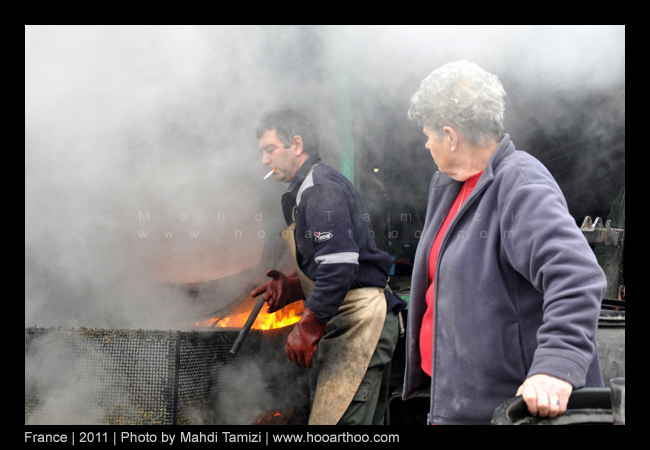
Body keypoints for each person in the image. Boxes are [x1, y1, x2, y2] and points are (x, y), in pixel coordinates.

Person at [402, 61, 607, 425]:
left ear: (451, 136)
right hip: (454, 400)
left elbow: (576, 276)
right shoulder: (451, 187)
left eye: (429, 134)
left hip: (506, 413)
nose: (426, 143)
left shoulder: (519, 183)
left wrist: (556, 366)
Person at [251, 107, 406, 425]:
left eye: (270, 150)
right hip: (350, 321)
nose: (265, 161)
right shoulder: (307, 188)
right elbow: (335, 263)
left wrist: (308, 326)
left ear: (296, 144)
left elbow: (339, 267)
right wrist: (293, 287)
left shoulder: (319, 188)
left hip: (360, 323)